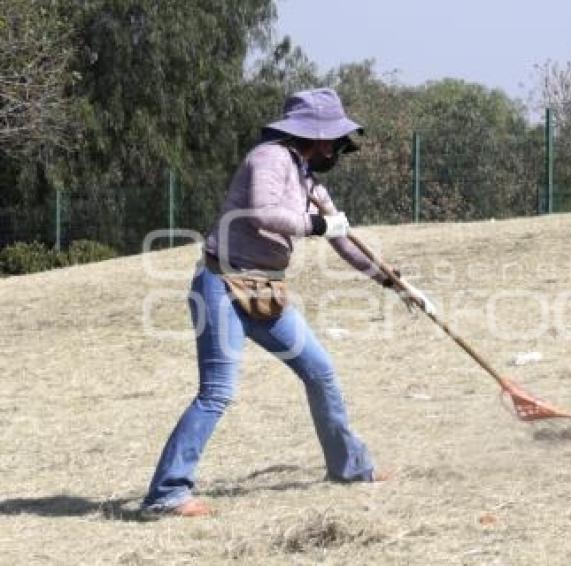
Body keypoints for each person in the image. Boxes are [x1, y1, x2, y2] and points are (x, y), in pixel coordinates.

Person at [141, 88, 420, 518]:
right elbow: (262, 213)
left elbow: (342, 239)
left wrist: (388, 279)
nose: (339, 149)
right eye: (335, 140)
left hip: (266, 293)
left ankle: (349, 468)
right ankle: (167, 494)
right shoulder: (267, 159)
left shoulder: (309, 179)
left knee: (320, 372)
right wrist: (317, 224)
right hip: (221, 285)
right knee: (217, 392)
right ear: (318, 135)